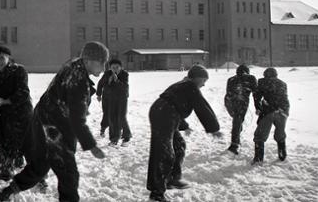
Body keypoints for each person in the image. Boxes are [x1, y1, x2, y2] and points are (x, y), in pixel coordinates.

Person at [0, 41, 109, 202]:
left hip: (42, 120)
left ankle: (6, 193)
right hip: (54, 129)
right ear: (88, 60)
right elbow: (77, 120)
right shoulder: (78, 80)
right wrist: (92, 145)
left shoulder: (73, 66)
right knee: (68, 173)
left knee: (40, 165)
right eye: (101, 63)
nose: (104, 68)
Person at [146, 65, 222, 202]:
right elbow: (202, 107)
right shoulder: (190, 86)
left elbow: (175, 104)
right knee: (164, 153)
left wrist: (184, 126)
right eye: (204, 80)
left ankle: (172, 179)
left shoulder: (184, 85)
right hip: (163, 114)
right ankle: (156, 193)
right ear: (197, 78)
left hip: (164, 112)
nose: (204, 85)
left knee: (178, 145)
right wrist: (213, 128)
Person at [0, 46, 33, 181]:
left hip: (21, 114)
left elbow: (23, 93)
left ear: (8, 58)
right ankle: (5, 173)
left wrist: (5, 101)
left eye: (2, 58)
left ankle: (37, 177)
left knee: (26, 146)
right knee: (2, 144)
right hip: (3, 115)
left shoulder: (19, 71)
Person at [252, 67, 289, 164]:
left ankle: (258, 159)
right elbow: (284, 98)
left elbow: (257, 97)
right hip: (283, 111)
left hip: (269, 110)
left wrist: (258, 108)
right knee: (280, 134)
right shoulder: (282, 83)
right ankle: (282, 155)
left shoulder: (262, 82)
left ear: (265, 75)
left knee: (260, 136)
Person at [96, 58, 132, 146]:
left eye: (117, 67)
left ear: (121, 67)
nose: (115, 69)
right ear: (110, 68)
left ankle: (126, 137)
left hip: (122, 98)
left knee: (121, 117)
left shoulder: (124, 74)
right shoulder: (107, 74)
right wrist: (99, 94)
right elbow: (100, 84)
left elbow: (124, 88)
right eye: (113, 67)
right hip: (111, 99)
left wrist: (117, 81)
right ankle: (114, 139)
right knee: (112, 118)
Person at [224, 64, 257, 155]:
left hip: (229, 102)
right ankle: (234, 144)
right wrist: (258, 106)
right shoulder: (251, 78)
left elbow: (228, 94)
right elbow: (256, 93)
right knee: (237, 121)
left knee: (237, 120)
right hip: (241, 102)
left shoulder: (231, 79)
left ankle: (236, 137)